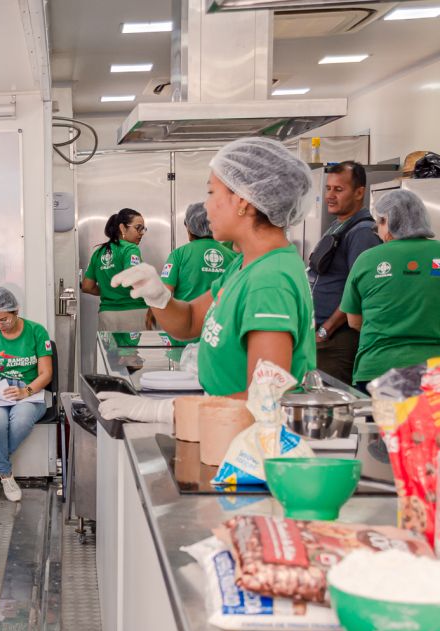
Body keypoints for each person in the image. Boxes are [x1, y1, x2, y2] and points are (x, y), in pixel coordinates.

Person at [101, 137, 316, 419]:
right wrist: (159, 298)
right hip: (222, 425)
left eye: (212, 192)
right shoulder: (244, 264)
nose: (206, 205)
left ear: (243, 200)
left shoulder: (270, 280)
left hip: (243, 435)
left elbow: (264, 401)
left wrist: (166, 410)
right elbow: (191, 321)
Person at [340, 188, 440, 389]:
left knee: (378, 413)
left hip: (379, 371)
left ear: (388, 221)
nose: (377, 229)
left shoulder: (367, 260)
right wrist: (433, 314)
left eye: (379, 223)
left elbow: (354, 321)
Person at [0, 285, 54, 502]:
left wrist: (26, 391)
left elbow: (46, 374)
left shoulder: (37, 331)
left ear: (16, 311)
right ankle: (6, 474)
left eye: (4, 320)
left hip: (29, 391)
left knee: (21, 420)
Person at [308, 161, 381, 385]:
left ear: (359, 192)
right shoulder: (339, 225)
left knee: (334, 399)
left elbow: (358, 291)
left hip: (337, 339)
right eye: (328, 188)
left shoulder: (363, 233)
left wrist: (326, 330)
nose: (330, 196)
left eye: (338, 189)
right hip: (323, 336)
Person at [158, 203, 235, 345]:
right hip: (217, 334)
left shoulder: (179, 254)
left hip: (184, 335)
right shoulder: (233, 257)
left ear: (189, 228)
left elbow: (164, 293)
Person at [81, 207, 148, 332]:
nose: (142, 233)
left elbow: (87, 286)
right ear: (123, 228)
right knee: (135, 346)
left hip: (107, 314)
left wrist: (109, 291)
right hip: (133, 312)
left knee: (108, 346)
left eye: (143, 229)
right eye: (138, 228)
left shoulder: (98, 252)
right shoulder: (130, 249)